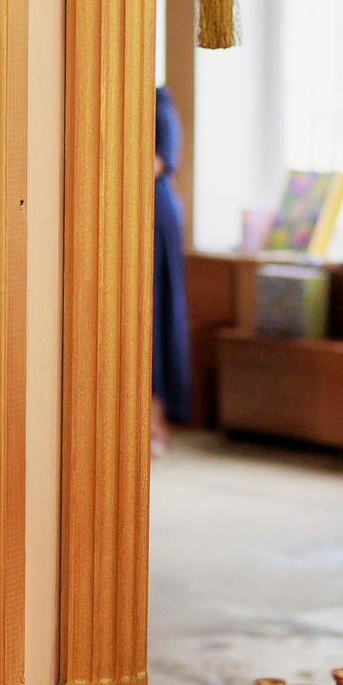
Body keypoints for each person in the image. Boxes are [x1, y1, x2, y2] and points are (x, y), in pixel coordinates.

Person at [152, 82, 190, 453]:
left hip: (154, 215)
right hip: (124, 209)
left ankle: (155, 419)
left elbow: (158, 162)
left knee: (156, 313)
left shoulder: (160, 104)